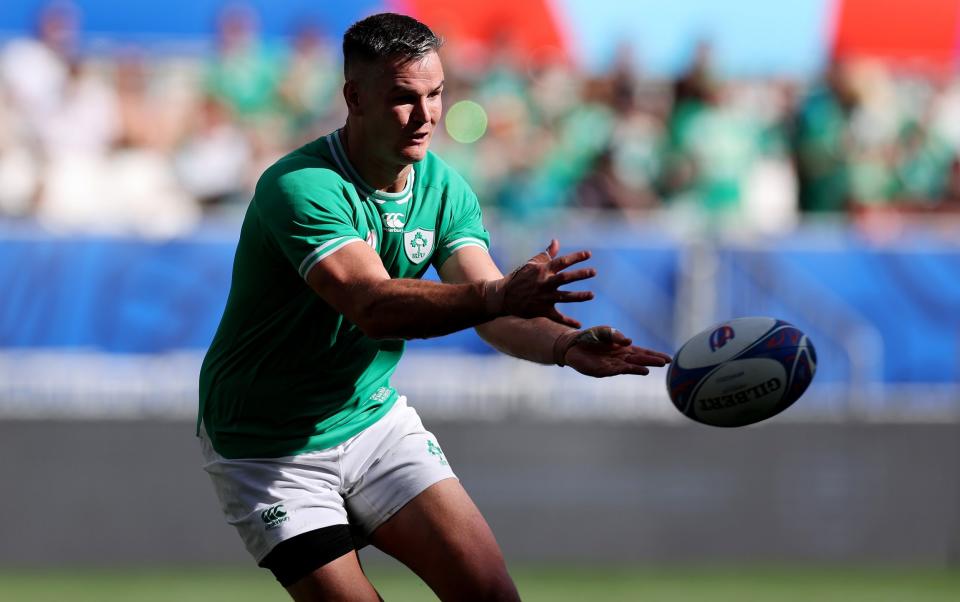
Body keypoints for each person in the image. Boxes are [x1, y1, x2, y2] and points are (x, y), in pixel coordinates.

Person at [198, 13, 671, 601]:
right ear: (354, 96)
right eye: (403, 98)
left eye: (435, 94)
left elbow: (492, 309)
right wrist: (498, 294)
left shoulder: (444, 187)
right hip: (268, 446)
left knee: (493, 596)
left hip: (370, 422)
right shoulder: (301, 186)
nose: (425, 115)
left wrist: (562, 344)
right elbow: (372, 305)